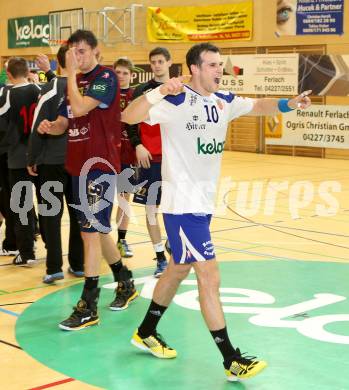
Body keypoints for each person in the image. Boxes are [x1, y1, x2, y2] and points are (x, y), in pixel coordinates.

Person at [122, 42, 311, 381]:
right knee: (209, 277)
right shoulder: (175, 100)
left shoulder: (223, 101)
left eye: (220, 64)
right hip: (182, 208)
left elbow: (258, 105)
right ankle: (231, 359)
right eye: (211, 65)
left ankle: (146, 330)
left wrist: (289, 103)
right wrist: (159, 91)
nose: (218, 70)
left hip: (202, 206)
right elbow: (129, 116)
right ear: (194, 68)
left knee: (177, 270)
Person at [37, 30, 138, 330]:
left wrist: (67, 72)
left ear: (96, 51)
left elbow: (81, 107)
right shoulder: (75, 82)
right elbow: (68, 120)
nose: (76, 56)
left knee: (90, 233)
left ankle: (89, 304)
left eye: (81, 51)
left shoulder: (105, 78)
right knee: (96, 230)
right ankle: (124, 280)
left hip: (100, 166)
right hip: (77, 166)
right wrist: (51, 126)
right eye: (72, 51)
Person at [27, 44, 84, 284]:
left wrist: (32, 158)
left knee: (51, 213)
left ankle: (54, 268)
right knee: (78, 213)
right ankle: (79, 264)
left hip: (53, 162)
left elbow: (38, 125)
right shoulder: (85, 88)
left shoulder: (51, 89)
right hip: (81, 162)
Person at [127, 47, 172, 277]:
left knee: (174, 208)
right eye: (153, 61)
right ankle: (160, 258)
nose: (156, 65)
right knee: (151, 210)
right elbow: (129, 121)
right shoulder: (142, 91)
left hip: (175, 161)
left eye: (160, 61)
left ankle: (174, 244)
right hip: (149, 160)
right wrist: (138, 144)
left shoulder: (179, 90)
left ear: (169, 63)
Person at [0, 57, 41, 266]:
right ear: (27, 71)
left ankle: (26, 253)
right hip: (40, 156)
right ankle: (53, 254)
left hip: (17, 157)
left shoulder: (6, 93)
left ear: (8, 75)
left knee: (21, 206)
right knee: (47, 206)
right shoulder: (39, 90)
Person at [113, 57, 136, 258]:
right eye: (118, 72)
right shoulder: (105, 95)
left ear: (131, 75)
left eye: (125, 73)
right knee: (100, 198)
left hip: (127, 155)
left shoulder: (135, 95)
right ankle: (100, 238)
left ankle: (121, 240)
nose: (121, 77)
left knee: (123, 199)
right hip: (106, 154)